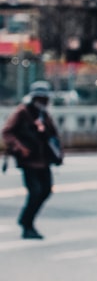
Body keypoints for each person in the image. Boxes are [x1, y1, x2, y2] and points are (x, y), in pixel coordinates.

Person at [3, 81, 63, 239]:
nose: (43, 102)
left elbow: (53, 136)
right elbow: (7, 132)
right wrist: (19, 147)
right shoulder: (22, 112)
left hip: (44, 160)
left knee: (46, 190)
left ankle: (26, 221)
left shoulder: (44, 115)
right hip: (28, 160)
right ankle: (27, 224)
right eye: (40, 98)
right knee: (35, 192)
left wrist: (58, 154)